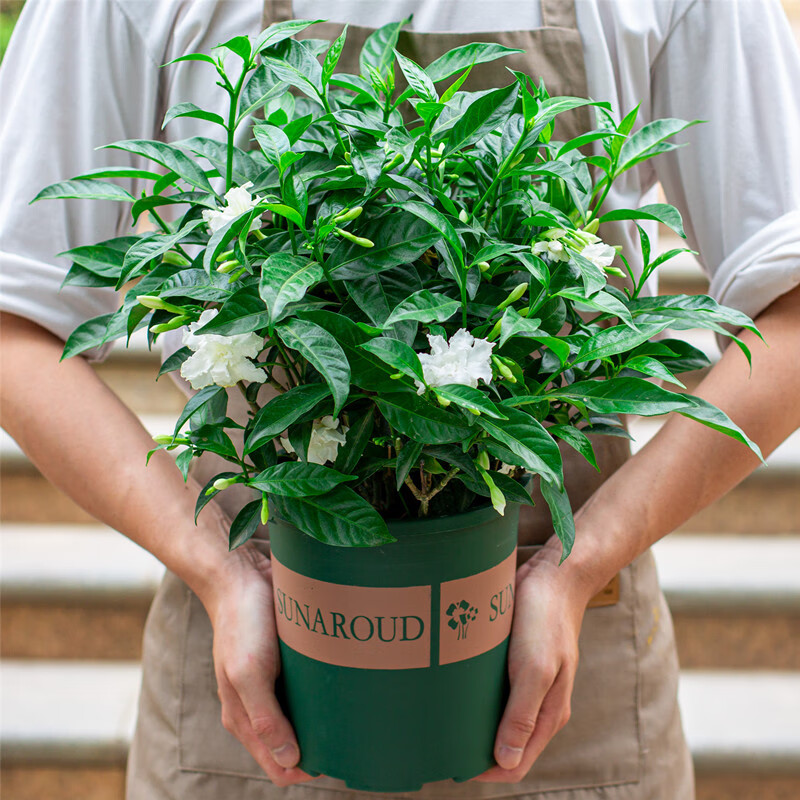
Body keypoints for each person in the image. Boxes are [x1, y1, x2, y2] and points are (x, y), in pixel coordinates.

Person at [1, 1, 799, 798]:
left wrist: (575, 564)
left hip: (569, 652)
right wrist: (218, 567)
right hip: (255, 654)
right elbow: (14, 323)